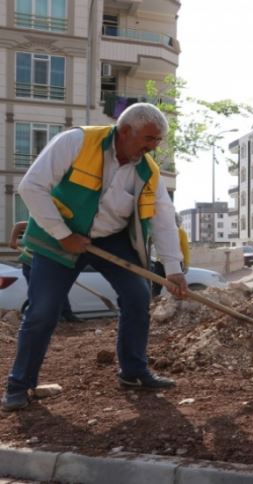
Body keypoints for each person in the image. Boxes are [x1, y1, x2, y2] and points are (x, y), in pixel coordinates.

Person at [2, 103, 188, 412]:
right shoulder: (76, 142)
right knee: (43, 311)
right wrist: (64, 235)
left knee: (137, 296)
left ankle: (133, 372)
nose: (152, 148)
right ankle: (19, 385)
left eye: (157, 141)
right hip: (59, 235)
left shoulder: (147, 171)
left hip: (111, 239)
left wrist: (173, 268)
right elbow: (31, 187)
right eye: (149, 139)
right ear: (125, 131)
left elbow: (163, 219)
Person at [9, 221, 81, 322]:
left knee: (58, 289)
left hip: (50, 263)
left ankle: (66, 313)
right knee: (37, 292)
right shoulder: (42, 222)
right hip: (30, 263)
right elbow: (18, 225)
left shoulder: (65, 229)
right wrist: (13, 241)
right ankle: (42, 317)